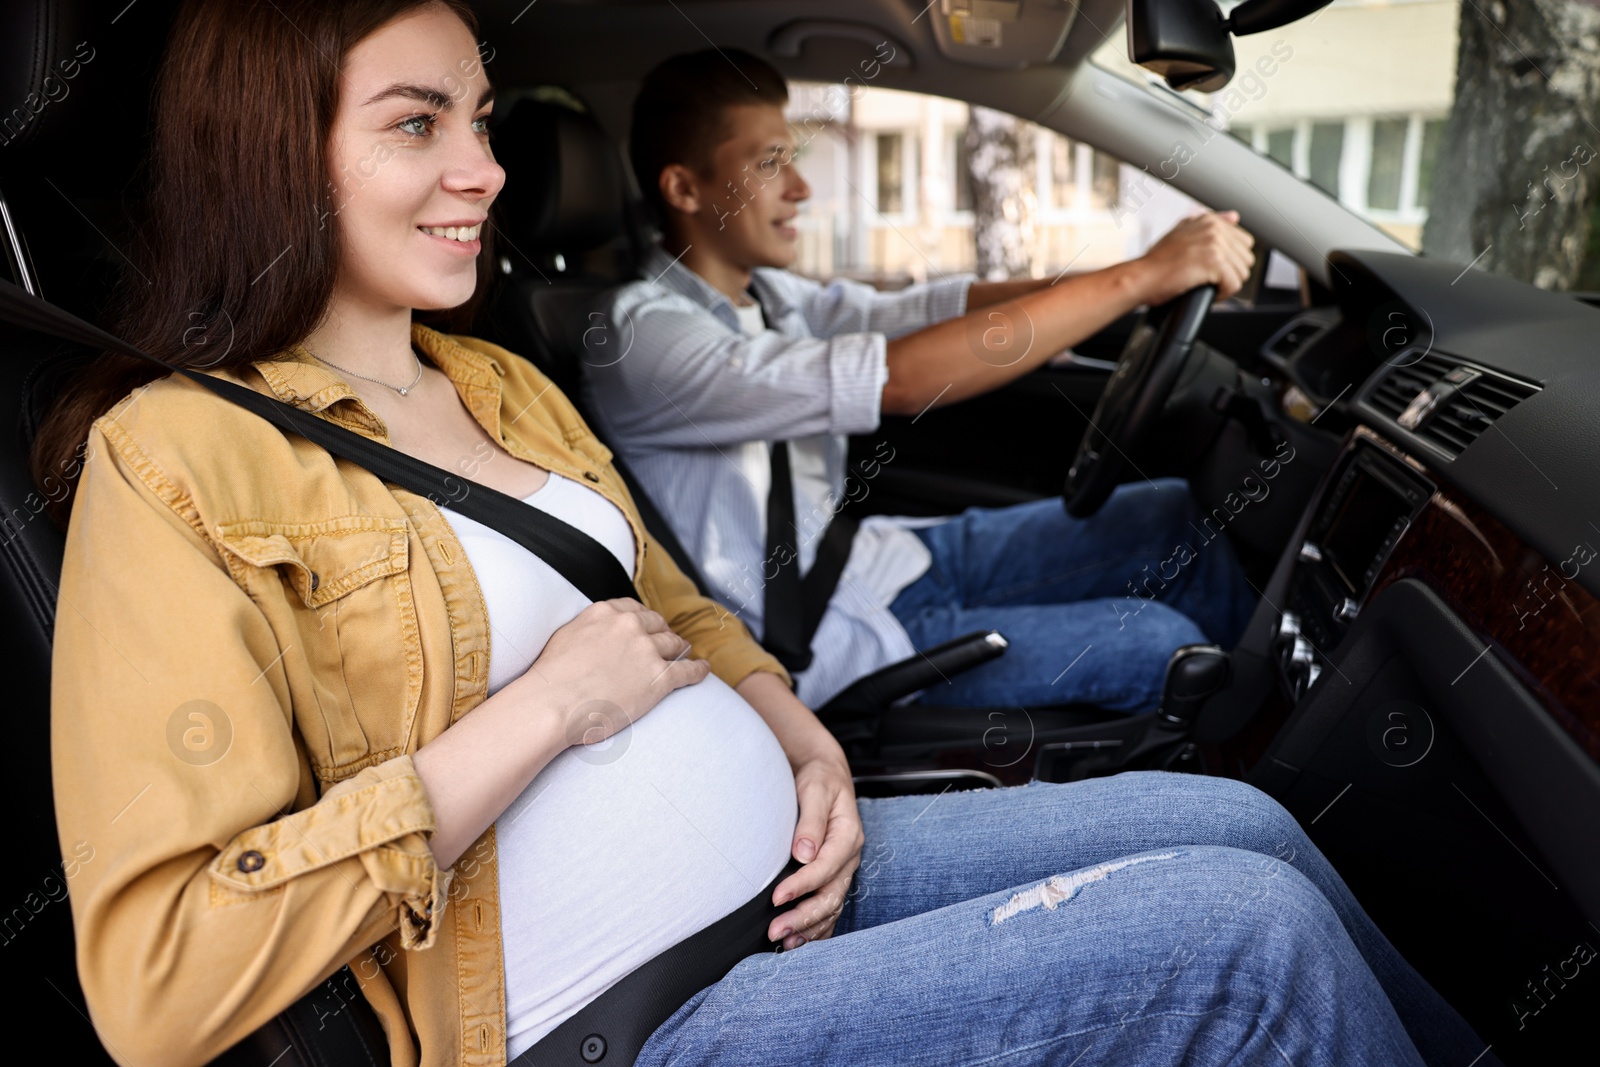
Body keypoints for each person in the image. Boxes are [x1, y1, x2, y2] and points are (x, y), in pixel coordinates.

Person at [38, 3, 1495, 1066]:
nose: (485, 168)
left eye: (480, 120)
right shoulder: (173, 457)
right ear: (273, 155)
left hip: (793, 871)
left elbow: (686, 610)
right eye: (419, 124)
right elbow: (162, 980)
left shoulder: (495, 380)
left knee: (1245, 822)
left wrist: (799, 744)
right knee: (1251, 932)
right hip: (621, 1009)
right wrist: (543, 711)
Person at [579, 50, 1261, 713]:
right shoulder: (640, 335)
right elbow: (898, 379)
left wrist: (1135, 278)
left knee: (1169, 516)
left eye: (791, 157)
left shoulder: (772, 297)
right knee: (1161, 644)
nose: (801, 186)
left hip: (875, 561)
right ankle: (1254, 763)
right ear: (683, 188)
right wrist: (1137, 280)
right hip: (825, 639)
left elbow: (932, 309)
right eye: (769, 163)